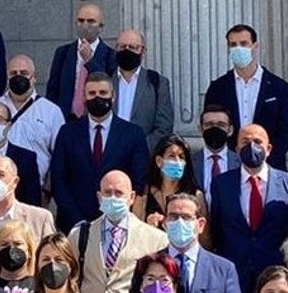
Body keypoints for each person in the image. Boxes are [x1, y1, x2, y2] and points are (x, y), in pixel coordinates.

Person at [207, 123, 288, 292]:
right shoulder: (221, 184)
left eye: (258, 142)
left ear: (268, 149)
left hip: (276, 275)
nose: (251, 146)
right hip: (235, 274)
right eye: (245, 142)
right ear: (237, 149)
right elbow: (217, 228)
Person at [50, 72, 151, 230]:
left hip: (119, 222)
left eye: (103, 93)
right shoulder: (67, 133)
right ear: (84, 98)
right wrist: (77, 220)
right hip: (74, 223)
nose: (98, 97)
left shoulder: (133, 134)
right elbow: (58, 179)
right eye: (92, 93)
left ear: (113, 96)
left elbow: (139, 181)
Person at [74, 172, 168, 293]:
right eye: (107, 193)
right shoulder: (79, 234)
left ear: (131, 197)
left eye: (118, 193)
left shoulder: (157, 239)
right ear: (99, 196)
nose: (113, 198)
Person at [202, 23, 288, 170]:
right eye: (233, 44)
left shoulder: (279, 88)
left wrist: (262, 160)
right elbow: (211, 128)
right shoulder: (217, 88)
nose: (238, 48)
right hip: (229, 168)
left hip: (269, 167)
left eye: (244, 43)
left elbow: (285, 133)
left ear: (255, 46)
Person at [161, 192, 243, 293]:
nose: (179, 222)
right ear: (165, 223)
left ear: (200, 225)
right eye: (173, 216)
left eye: (186, 217)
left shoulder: (224, 269)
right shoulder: (150, 266)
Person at [0, 53, 65, 182]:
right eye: (13, 73)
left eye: (24, 73)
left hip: (36, 188)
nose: (18, 77)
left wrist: (48, 190)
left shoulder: (51, 111)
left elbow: (61, 156)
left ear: (34, 77)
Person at [45, 2, 115, 117]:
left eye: (91, 21)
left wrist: (89, 61)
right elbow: (53, 90)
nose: (85, 25)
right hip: (66, 118)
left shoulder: (111, 55)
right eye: (81, 21)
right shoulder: (63, 52)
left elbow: (107, 84)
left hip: (95, 117)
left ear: (101, 27)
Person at [111, 28, 176, 152]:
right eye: (122, 46)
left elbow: (164, 127)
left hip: (143, 157)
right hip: (110, 156)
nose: (127, 50)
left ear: (143, 51)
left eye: (133, 47)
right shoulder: (106, 81)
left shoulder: (158, 83)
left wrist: (139, 148)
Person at [141, 135, 198, 227]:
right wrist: (147, 226)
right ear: (159, 161)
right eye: (172, 156)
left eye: (181, 157)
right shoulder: (145, 193)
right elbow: (136, 229)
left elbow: (204, 238)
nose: (177, 161)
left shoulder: (195, 194)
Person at [0, 217, 41, 293]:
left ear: (29, 251)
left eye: (17, 244)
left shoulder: (39, 286)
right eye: (5, 244)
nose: (11, 249)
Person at [190, 104, 235, 191]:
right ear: (200, 129)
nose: (215, 129)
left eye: (221, 125)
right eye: (209, 124)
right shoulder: (189, 163)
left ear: (230, 130)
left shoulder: (240, 162)